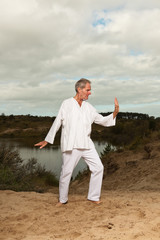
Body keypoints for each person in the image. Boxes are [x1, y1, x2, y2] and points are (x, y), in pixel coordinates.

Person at [35, 78, 119, 206]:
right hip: (71, 144)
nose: (90, 93)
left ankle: (93, 196)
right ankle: (62, 199)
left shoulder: (89, 107)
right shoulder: (67, 104)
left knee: (98, 168)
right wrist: (47, 139)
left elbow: (102, 120)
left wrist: (115, 112)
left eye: (90, 90)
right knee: (66, 172)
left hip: (86, 143)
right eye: (88, 90)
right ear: (79, 89)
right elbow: (58, 121)